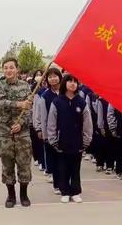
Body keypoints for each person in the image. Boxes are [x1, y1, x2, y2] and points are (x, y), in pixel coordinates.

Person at [0, 58, 33, 208]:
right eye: (6, 68)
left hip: (22, 132)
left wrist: (21, 123)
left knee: (24, 163)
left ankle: (24, 193)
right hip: (5, 132)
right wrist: (19, 104)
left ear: (17, 69)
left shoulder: (25, 86)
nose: (8, 70)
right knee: (7, 163)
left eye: (11, 67)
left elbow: (29, 108)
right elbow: (2, 103)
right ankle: (11, 195)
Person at [47, 74, 93, 204]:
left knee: (75, 168)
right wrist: (53, 140)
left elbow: (87, 124)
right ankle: (65, 191)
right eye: (70, 81)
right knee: (63, 168)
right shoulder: (57, 102)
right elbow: (51, 123)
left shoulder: (81, 102)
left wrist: (86, 140)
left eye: (75, 82)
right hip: (61, 142)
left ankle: (76, 191)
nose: (73, 84)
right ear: (64, 84)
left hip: (77, 142)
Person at [38, 68, 63, 194]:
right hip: (51, 132)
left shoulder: (66, 93)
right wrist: (44, 133)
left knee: (65, 159)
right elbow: (43, 116)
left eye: (55, 76)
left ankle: (65, 182)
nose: (53, 78)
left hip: (65, 131)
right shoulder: (45, 96)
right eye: (50, 77)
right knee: (54, 157)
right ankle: (57, 184)